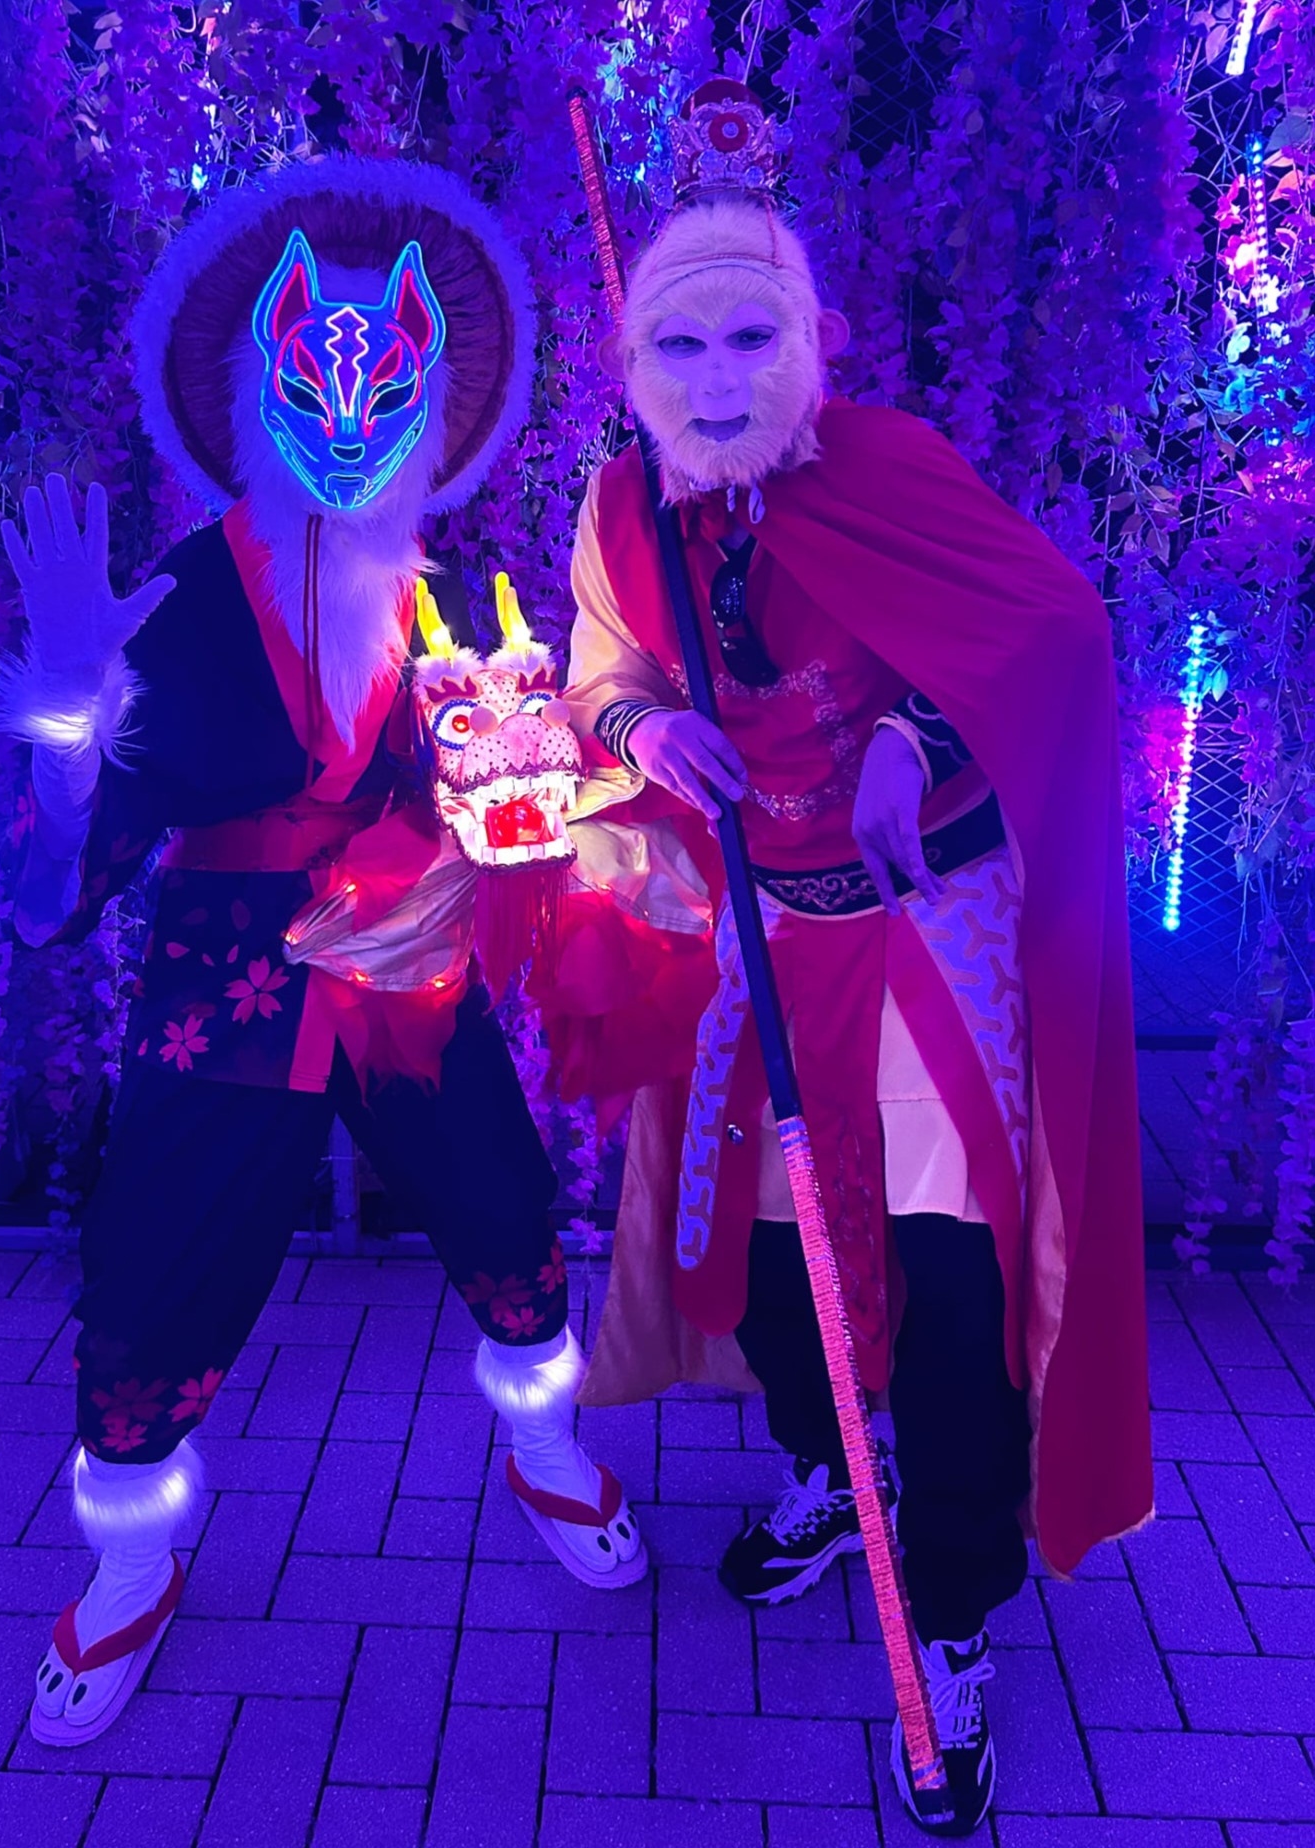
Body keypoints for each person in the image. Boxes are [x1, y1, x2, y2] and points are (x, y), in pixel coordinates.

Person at [545, 79, 1152, 1837]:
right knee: (776, 1251)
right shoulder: (621, 508)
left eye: (752, 338)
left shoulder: (889, 468)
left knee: (951, 1278)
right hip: (761, 933)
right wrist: (645, 731)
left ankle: (948, 1612)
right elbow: (600, 671)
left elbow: (1048, 635)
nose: (719, 378)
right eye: (682, 346)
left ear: (806, 344)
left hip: (926, 931)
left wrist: (915, 736)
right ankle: (831, 1470)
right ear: (637, 361)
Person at [0, 157, 644, 1749]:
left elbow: (509, 803)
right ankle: (129, 1556)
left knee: (500, 1200)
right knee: (157, 1258)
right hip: (224, 986)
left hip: (408, 966)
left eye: (385, 392)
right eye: (308, 386)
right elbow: (59, 872)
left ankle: (544, 1449)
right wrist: (68, 713)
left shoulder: (448, 600)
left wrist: (531, 800)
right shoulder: (173, 597)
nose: (347, 428)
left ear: (431, 404)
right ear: (251, 389)